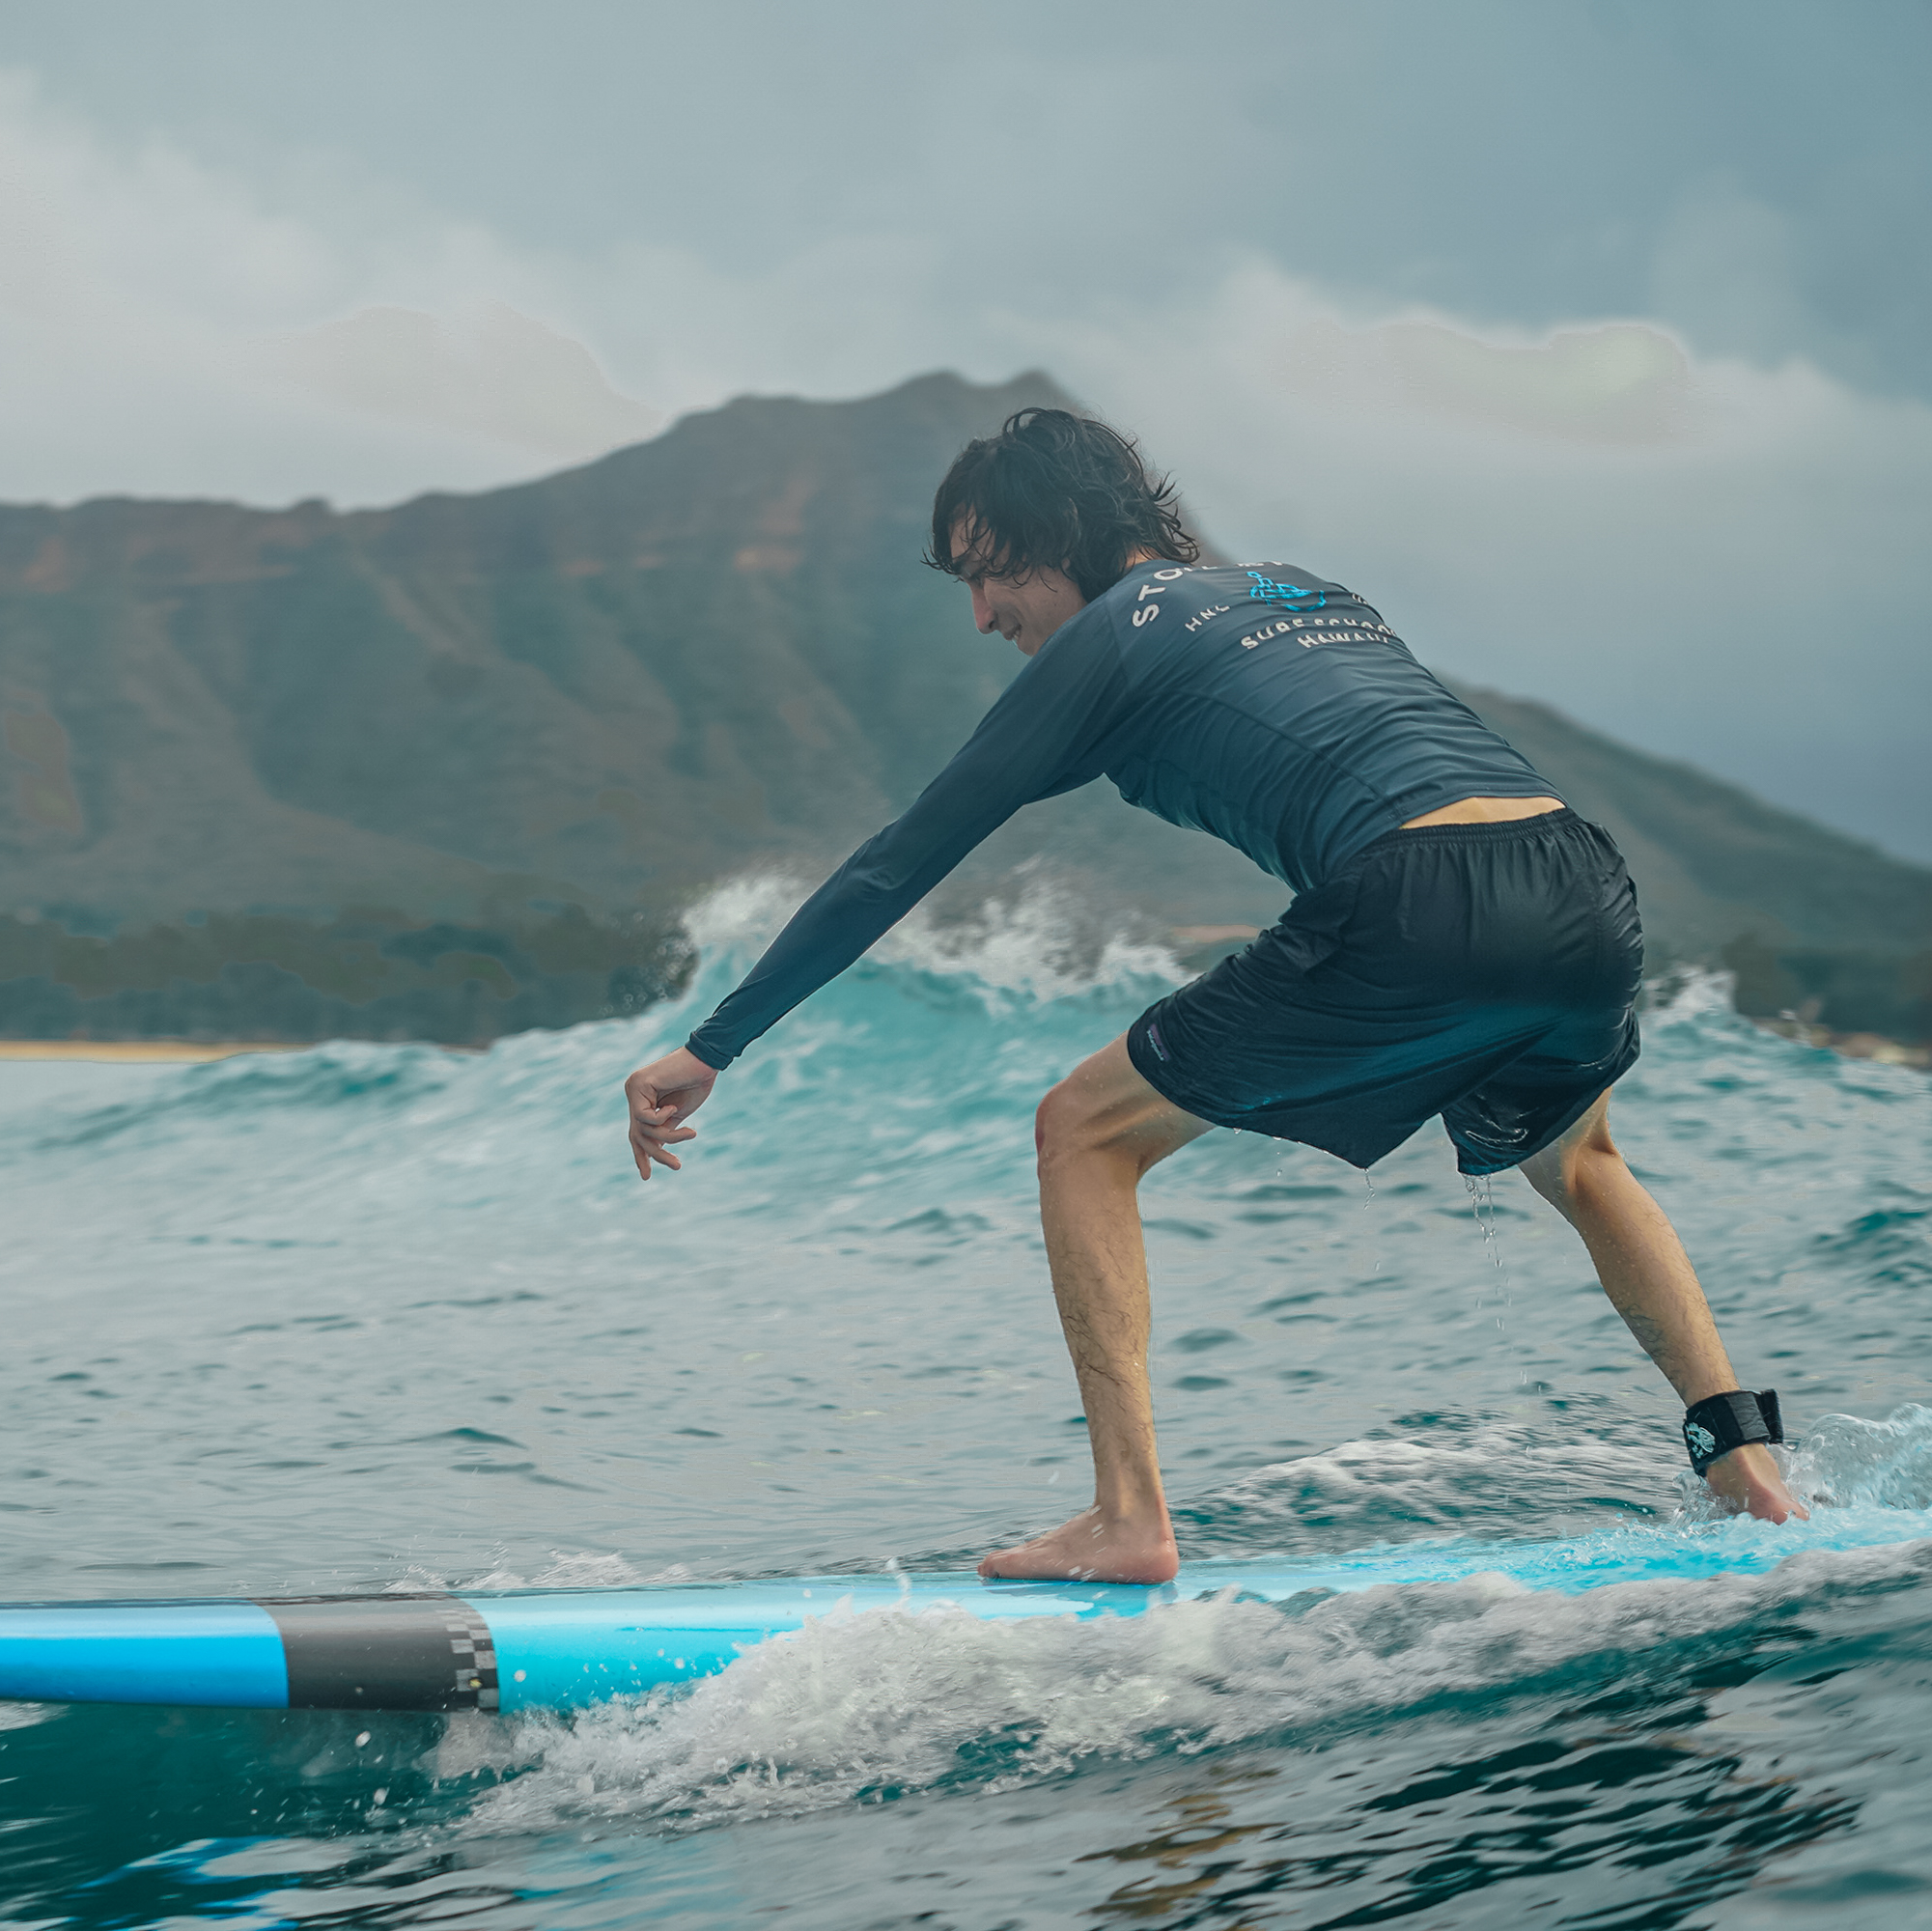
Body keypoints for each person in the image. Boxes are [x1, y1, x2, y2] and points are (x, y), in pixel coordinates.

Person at [618, 407, 1805, 1582]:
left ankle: (1127, 1516)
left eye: (992, 572)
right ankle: (1743, 1468)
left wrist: (714, 1043)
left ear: (1070, 531)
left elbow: (899, 859)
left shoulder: (1111, 635)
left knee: (1080, 1129)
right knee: (1581, 1160)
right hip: (1576, 877)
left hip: (1414, 888)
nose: (981, 614)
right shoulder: (1300, 588)